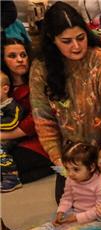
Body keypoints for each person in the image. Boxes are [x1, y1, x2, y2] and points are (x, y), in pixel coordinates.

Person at [29, 2, 101, 203]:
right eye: (66, 41)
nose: (77, 46)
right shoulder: (41, 69)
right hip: (76, 161)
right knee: (69, 208)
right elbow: (44, 121)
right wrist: (64, 165)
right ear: (52, 41)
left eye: (80, 38)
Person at [1, 143, 101, 230]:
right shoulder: (71, 179)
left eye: (76, 169)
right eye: (67, 169)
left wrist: (76, 218)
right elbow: (67, 197)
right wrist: (61, 211)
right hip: (75, 213)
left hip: (94, 220)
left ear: (91, 167)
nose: (71, 174)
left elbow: (99, 210)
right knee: (51, 226)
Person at [0, 38, 50, 186]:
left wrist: (3, 135)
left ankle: (52, 167)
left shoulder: (38, 82)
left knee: (9, 165)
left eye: (23, 55)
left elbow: (36, 119)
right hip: (12, 140)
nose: (20, 60)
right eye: (12, 56)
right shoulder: (3, 85)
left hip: (39, 139)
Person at [1, 71, 24, 192]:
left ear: (5, 89)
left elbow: (13, 122)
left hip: (11, 137)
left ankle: (12, 177)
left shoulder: (12, 105)